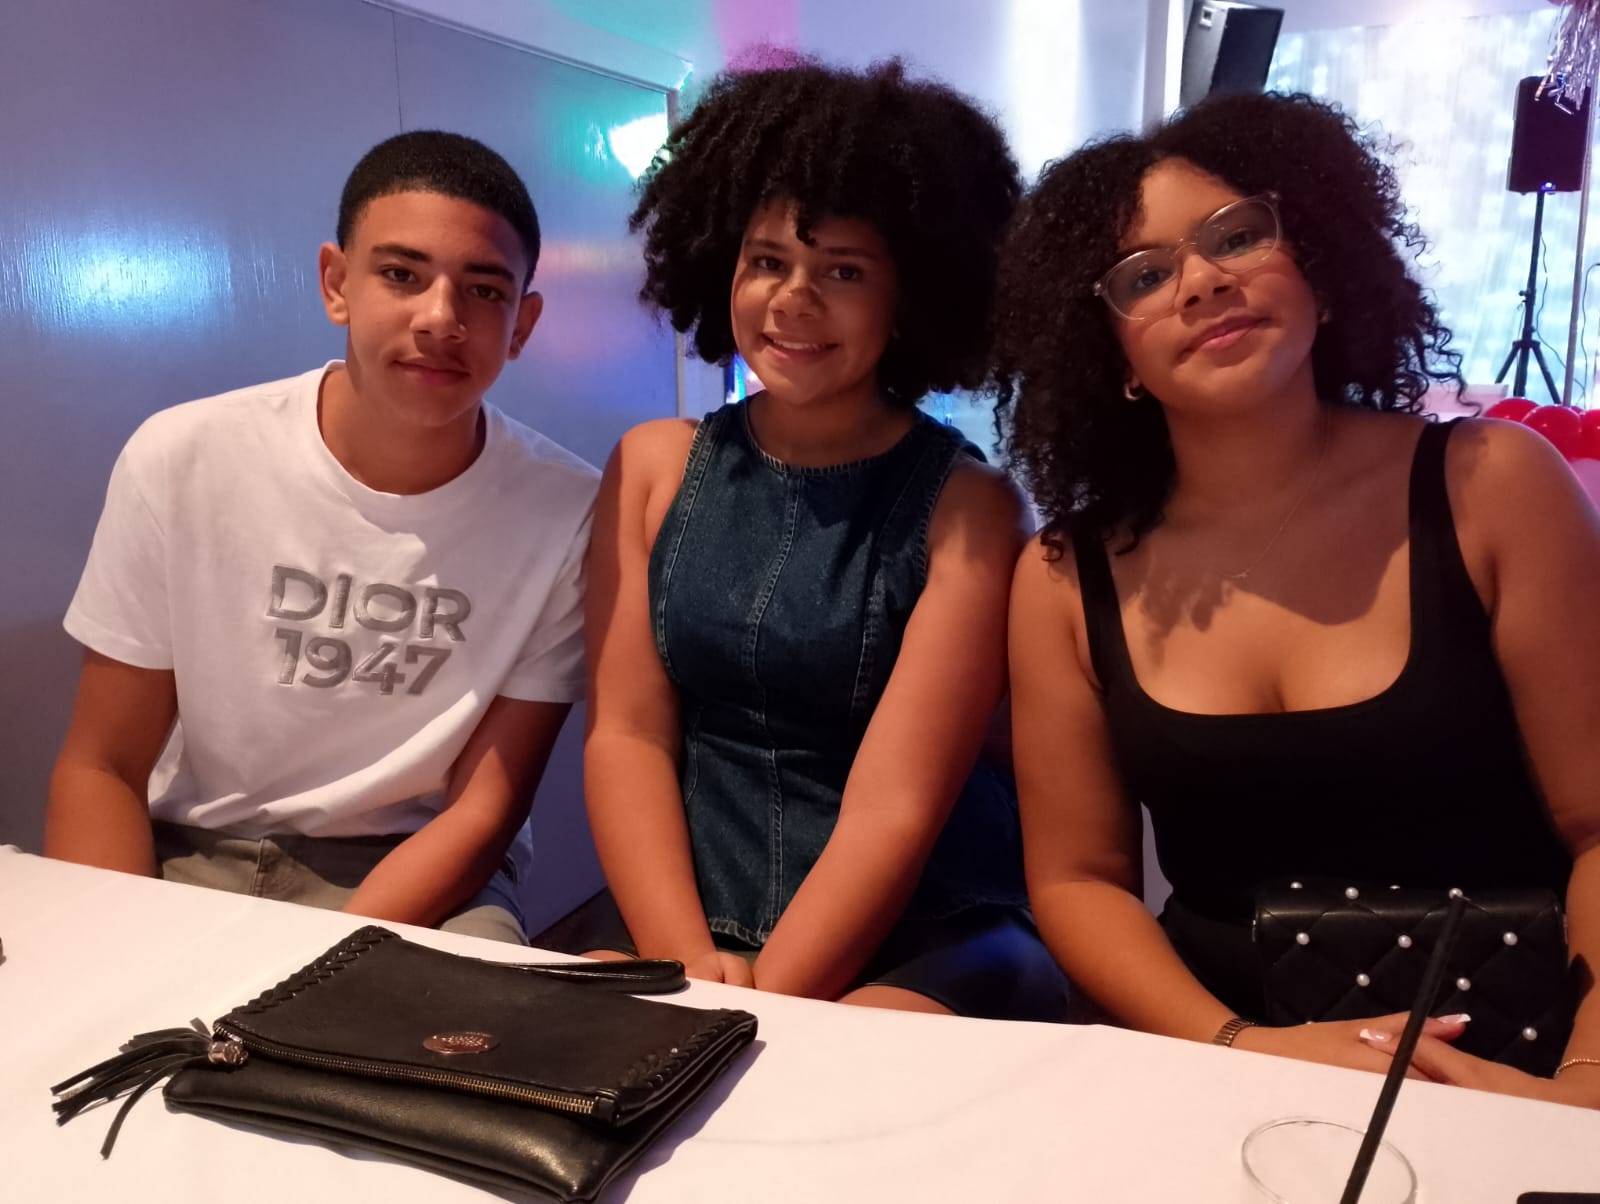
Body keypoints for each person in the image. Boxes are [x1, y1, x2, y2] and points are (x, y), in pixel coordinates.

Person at [995, 90, 1600, 1105]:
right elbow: (1077, 879)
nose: (1203, 281)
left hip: (1510, 1060)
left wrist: (1586, 1082)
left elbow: (1596, 827)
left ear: (1320, 261)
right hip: (1217, 1059)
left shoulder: (1493, 483)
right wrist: (1237, 1046)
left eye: (1238, 235)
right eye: (1145, 275)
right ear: (1112, 354)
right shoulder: (1063, 573)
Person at [582, 59, 1067, 1018]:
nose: (793, 300)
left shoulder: (970, 506)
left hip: (922, 925)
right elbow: (626, 734)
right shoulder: (651, 465)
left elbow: (898, 804)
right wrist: (681, 963)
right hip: (690, 918)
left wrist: (757, 1011)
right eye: (767, 261)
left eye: (844, 271)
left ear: (911, 299)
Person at [44, 131, 599, 944]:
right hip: (192, 852)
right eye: (401, 275)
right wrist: (114, 953)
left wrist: (312, 966)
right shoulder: (183, 457)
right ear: (337, 283)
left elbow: (486, 809)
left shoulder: (568, 509)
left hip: (421, 872)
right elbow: (103, 765)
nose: (440, 318)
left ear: (523, 323)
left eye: (484, 290)